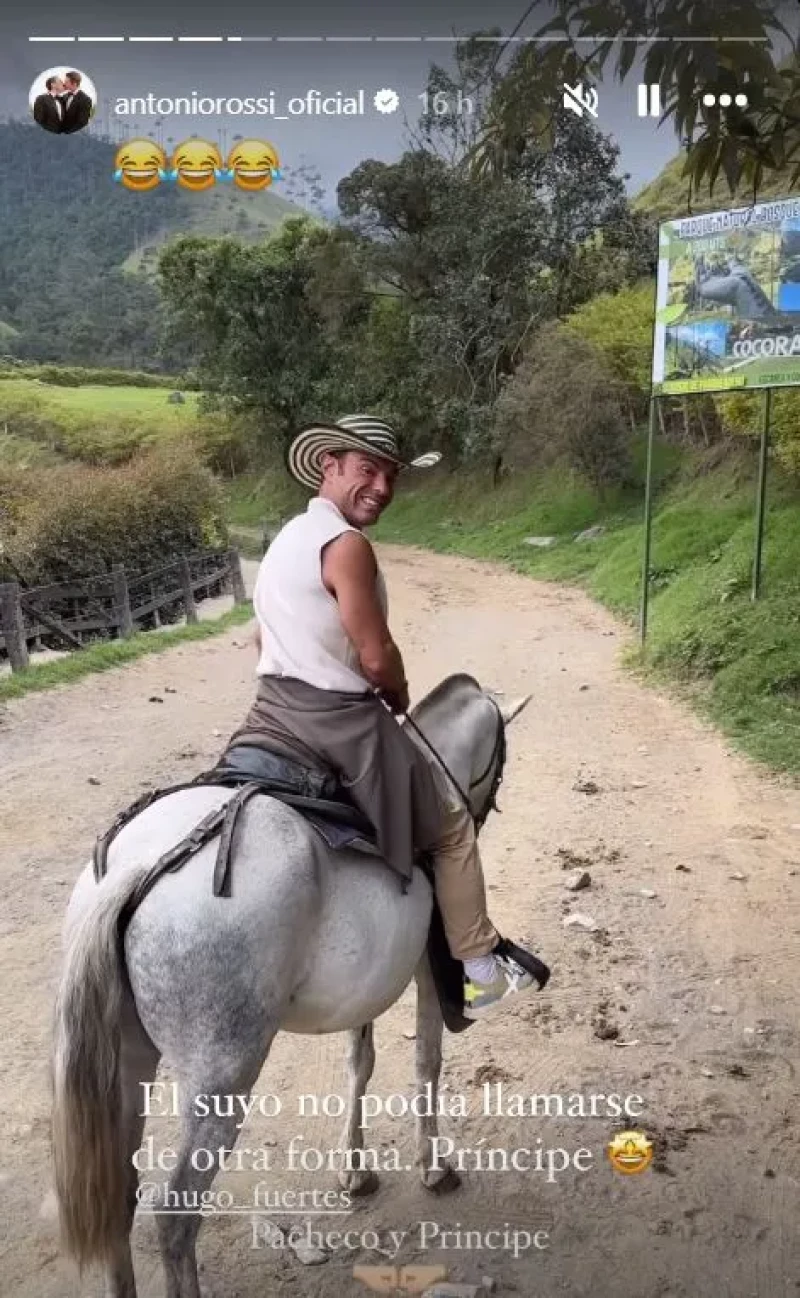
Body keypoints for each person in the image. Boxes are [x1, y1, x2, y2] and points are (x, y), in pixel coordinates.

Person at [230, 413, 542, 1017]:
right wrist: (397, 692)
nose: (381, 487)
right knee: (451, 826)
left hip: (270, 714)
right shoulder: (348, 546)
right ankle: (479, 966)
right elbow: (375, 656)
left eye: (391, 475)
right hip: (338, 719)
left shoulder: (286, 541)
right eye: (366, 469)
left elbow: (259, 642)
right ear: (330, 465)